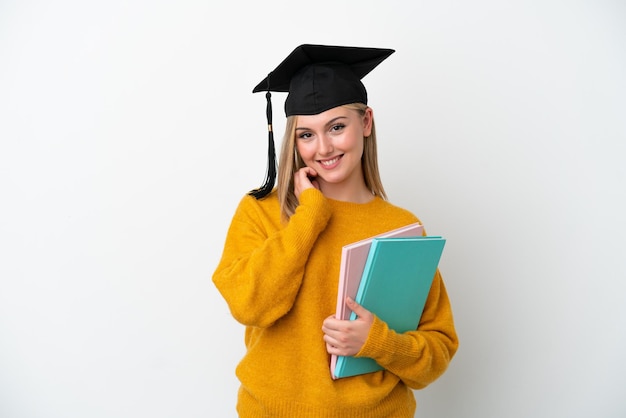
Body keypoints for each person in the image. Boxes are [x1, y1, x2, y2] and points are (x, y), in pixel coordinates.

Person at [212, 44, 458, 417]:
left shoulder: (400, 228)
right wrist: (310, 215)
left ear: (366, 122)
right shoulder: (261, 212)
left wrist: (378, 342)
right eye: (306, 134)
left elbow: (436, 352)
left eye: (337, 127)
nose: (322, 147)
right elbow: (250, 304)